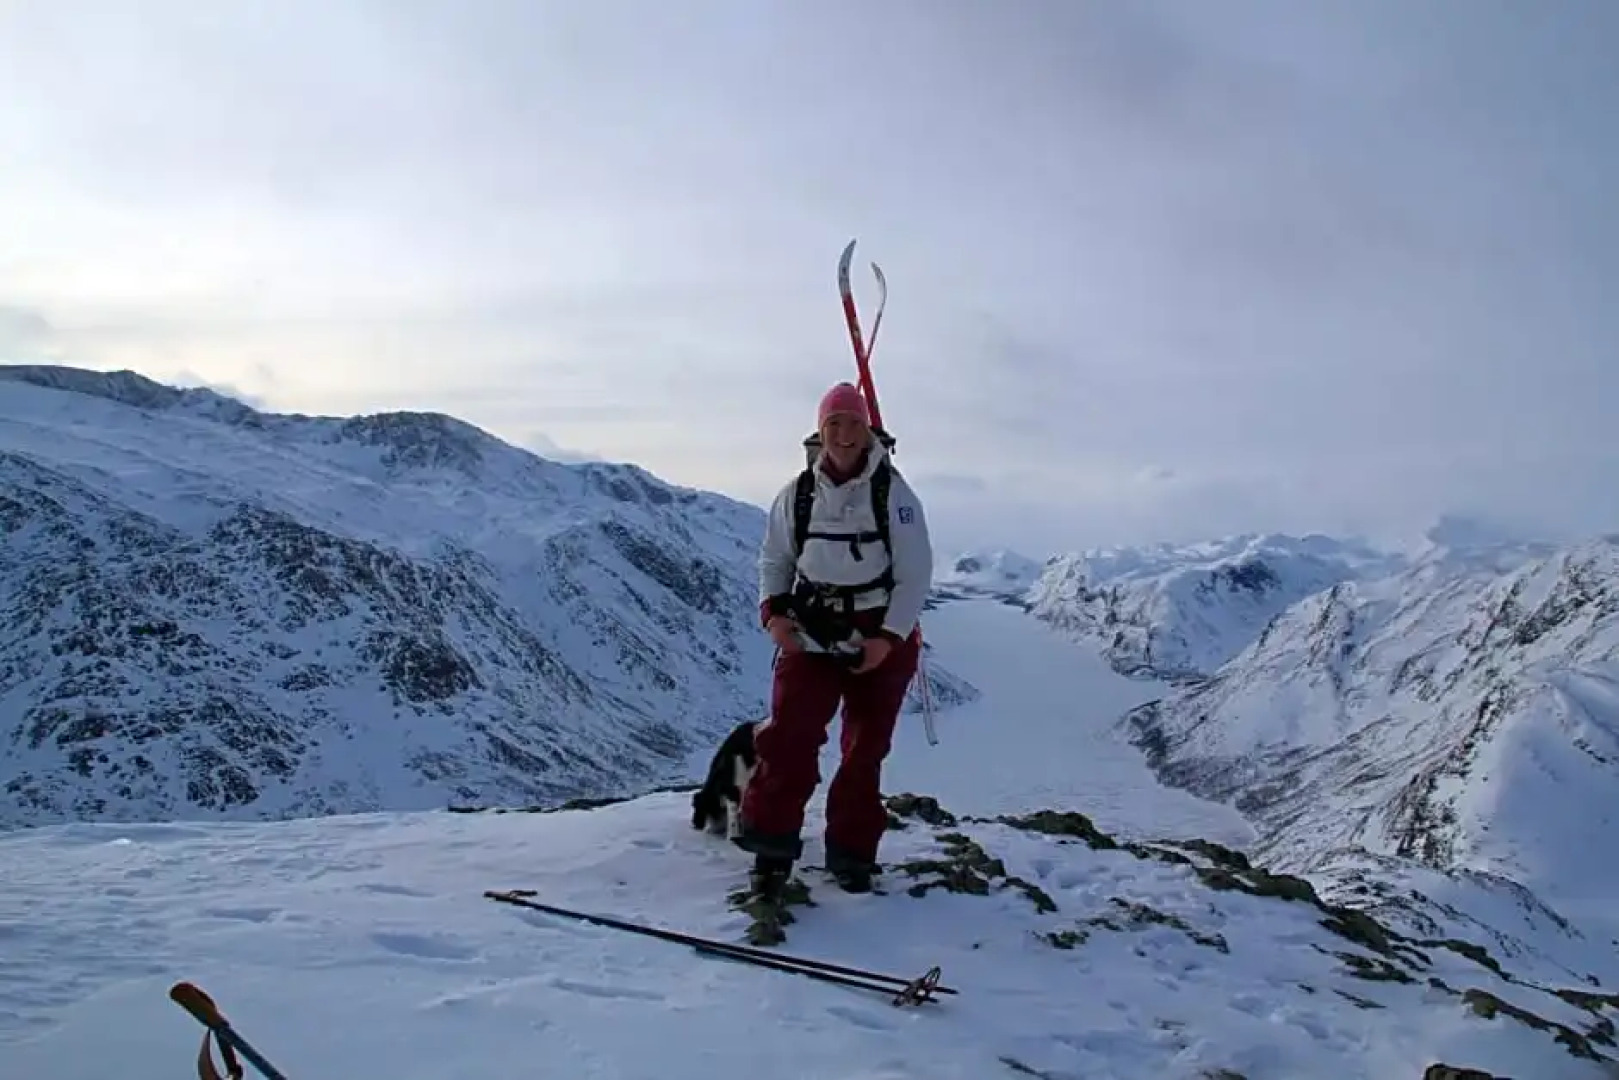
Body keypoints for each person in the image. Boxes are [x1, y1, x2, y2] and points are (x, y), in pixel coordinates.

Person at [734, 381, 933, 896]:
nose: (844, 435)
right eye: (834, 424)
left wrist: (887, 639)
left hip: (878, 630)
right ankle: (771, 849)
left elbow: (914, 575)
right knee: (790, 737)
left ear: (869, 431)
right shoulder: (797, 495)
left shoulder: (896, 496)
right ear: (820, 433)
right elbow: (775, 559)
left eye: (854, 424)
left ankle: (852, 855)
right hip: (812, 628)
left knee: (864, 750)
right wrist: (775, 614)